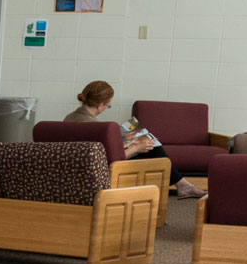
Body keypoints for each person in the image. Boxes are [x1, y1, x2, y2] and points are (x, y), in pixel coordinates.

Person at [65, 80, 206, 199]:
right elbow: (107, 159)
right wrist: (136, 148)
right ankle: (183, 186)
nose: (106, 108)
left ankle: (183, 185)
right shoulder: (93, 126)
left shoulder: (69, 118)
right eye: (108, 105)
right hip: (100, 169)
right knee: (153, 149)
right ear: (100, 105)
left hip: (76, 166)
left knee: (147, 144)